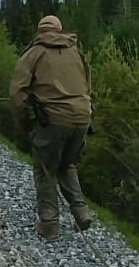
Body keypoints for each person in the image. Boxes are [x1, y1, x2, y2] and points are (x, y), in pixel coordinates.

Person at [9, 15, 93, 241]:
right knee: (67, 164)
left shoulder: (33, 54)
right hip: (83, 117)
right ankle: (80, 213)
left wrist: (25, 126)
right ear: (59, 31)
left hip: (54, 120)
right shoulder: (75, 52)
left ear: (39, 32)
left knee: (45, 169)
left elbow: (17, 95)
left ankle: (49, 225)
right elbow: (87, 85)